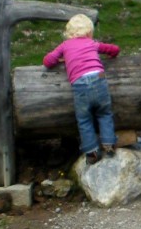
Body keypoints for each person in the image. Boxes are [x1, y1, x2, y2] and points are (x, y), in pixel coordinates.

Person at [43, 14, 119, 166]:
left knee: (84, 120)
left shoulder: (64, 46)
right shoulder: (92, 43)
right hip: (99, 78)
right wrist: (111, 53)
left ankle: (91, 152)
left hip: (79, 84)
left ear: (69, 33)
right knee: (104, 113)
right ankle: (109, 144)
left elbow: (47, 61)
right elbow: (114, 49)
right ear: (89, 32)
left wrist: (61, 59)